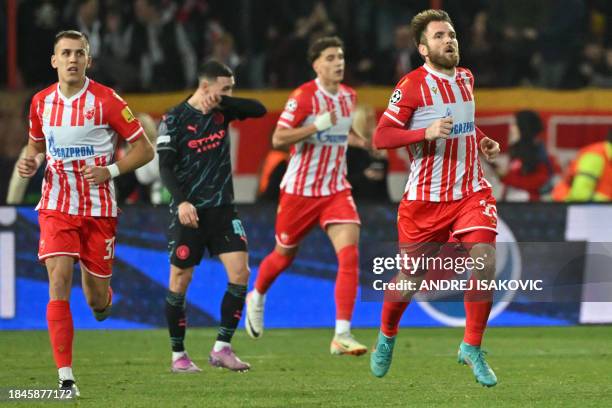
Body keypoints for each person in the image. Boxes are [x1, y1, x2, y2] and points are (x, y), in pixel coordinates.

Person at [17, 30, 154, 396]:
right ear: (54, 60)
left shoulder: (107, 101)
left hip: (98, 209)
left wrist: (110, 171)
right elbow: (35, 145)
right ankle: (65, 378)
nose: (73, 59)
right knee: (58, 282)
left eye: (79, 53)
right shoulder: (40, 103)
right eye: (66, 53)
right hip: (56, 205)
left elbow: (145, 150)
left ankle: (103, 300)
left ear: (89, 61)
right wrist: (32, 161)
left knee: (96, 301)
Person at [368, 10, 501, 387]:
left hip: (470, 191)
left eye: (452, 34)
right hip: (424, 201)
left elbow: (463, 124)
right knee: (409, 278)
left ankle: (472, 347)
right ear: (423, 48)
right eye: (440, 36)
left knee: (485, 260)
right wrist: (423, 133)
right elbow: (382, 137)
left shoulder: (466, 78)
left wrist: (481, 138)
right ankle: (387, 336)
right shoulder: (411, 86)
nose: (449, 40)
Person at [244, 36, 369, 356]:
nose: (338, 62)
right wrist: (314, 127)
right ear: (316, 64)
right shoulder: (303, 97)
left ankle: (342, 333)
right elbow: (278, 137)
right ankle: (257, 294)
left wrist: (363, 141)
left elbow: (344, 133)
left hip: (335, 189)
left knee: (350, 253)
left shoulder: (348, 97)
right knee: (284, 255)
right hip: (300, 190)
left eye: (340, 56)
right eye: (330, 58)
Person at [157, 60, 266, 373]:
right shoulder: (174, 118)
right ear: (205, 86)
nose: (230, 93)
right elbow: (165, 167)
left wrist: (226, 100)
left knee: (240, 272)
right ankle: (178, 355)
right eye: (225, 87)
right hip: (189, 212)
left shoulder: (223, 110)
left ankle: (222, 348)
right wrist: (181, 202)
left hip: (222, 208)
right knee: (180, 279)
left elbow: (258, 109)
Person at [495, 110, 559, 201]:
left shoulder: (539, 151)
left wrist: (507, 177)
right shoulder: (515, 150)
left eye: (515, 125)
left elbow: (539, 181)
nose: (511, 128)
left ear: (523, 128)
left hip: (528, 206)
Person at [552, 129, 612, 202]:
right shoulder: (595, 156)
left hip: (596, 209)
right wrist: (608, 202)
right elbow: (580, 194)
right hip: (564, 208)